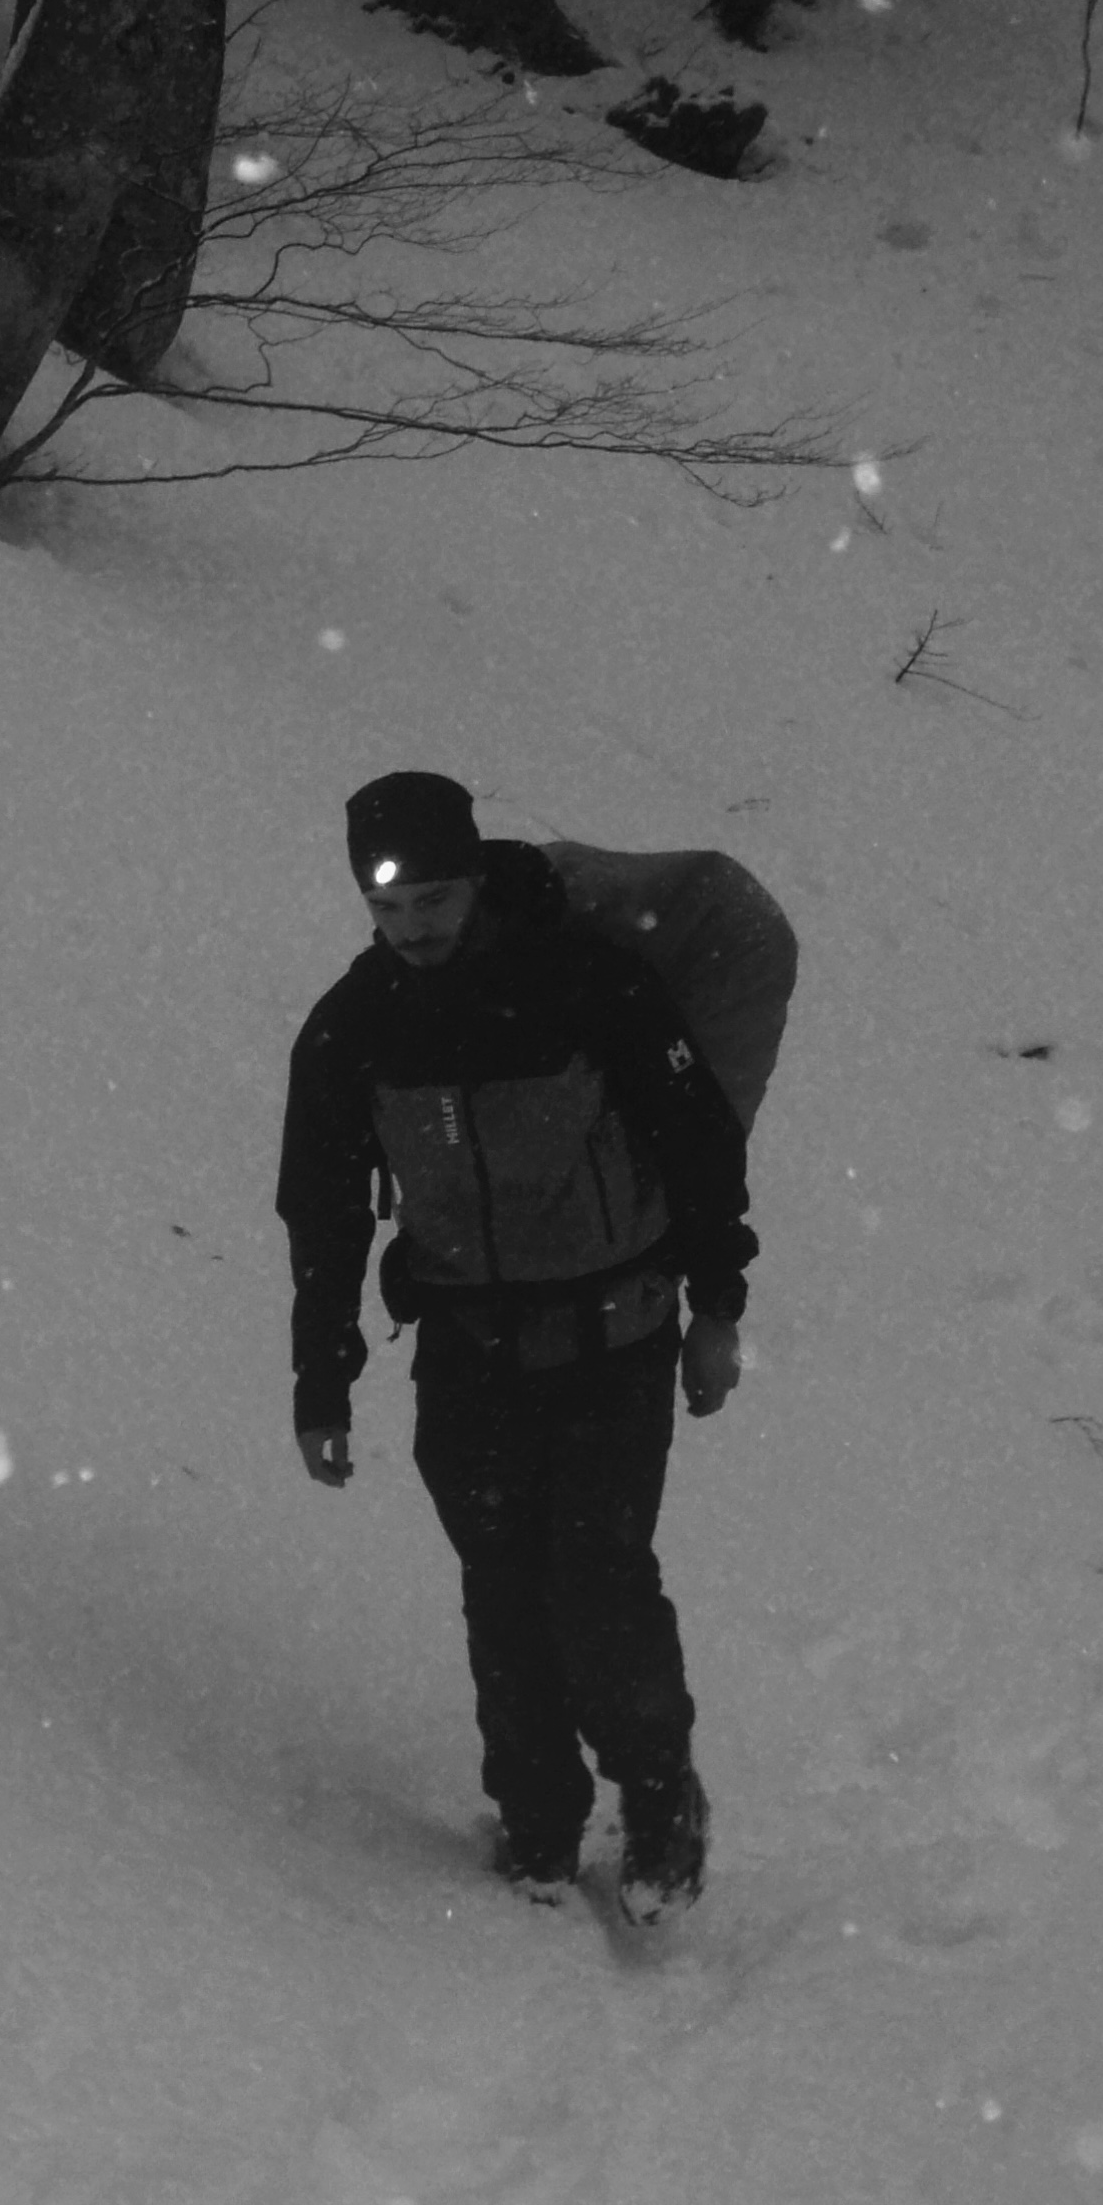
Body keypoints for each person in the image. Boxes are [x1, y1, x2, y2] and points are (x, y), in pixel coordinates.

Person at [276, 769, 756, 1923]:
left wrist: (719, 1306)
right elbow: (324, 1209)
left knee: (596, 1581)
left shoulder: (589, 985)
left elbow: (698, 1144)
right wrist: (321, 1376)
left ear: (476, 874)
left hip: (617, 1342)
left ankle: (657, 1803)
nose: (413, 928)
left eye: (433, 898)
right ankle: (537, 1818)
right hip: (467, 1352)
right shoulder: (356, 1026)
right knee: (504, 1592)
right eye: (388, 909)